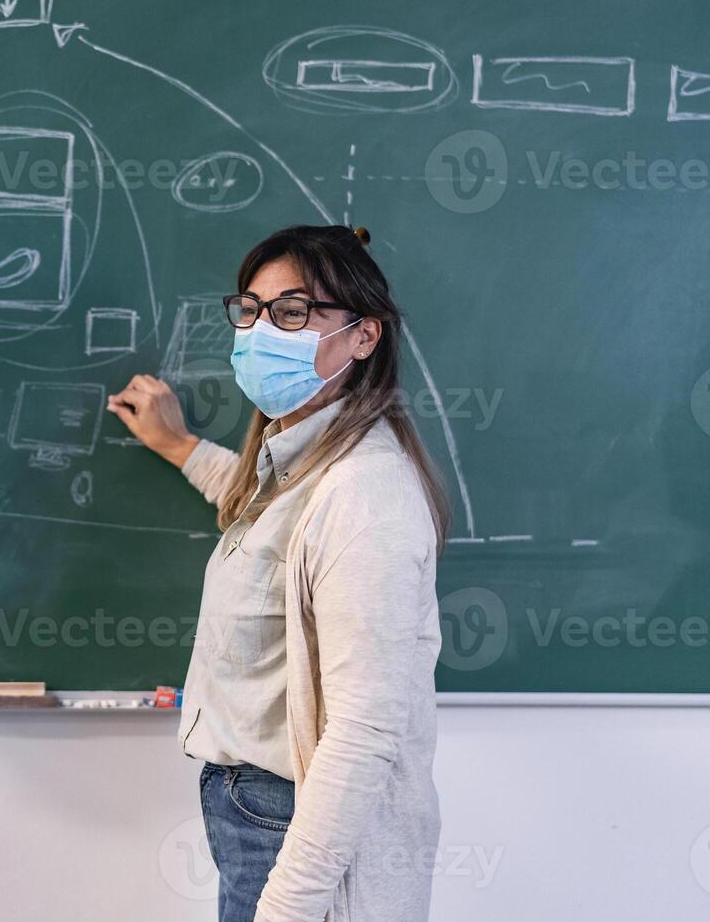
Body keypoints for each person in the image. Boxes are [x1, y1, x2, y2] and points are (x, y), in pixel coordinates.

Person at [108, 224, 448, 921]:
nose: (262, 330)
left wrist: (289, 906)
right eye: (252, 310)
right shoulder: (299, 467)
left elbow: (365, 729)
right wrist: (179, 448)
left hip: (291, 830)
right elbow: (270, 528)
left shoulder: (364, 492)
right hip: (256, 810)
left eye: (293, 312)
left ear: (363, 335)